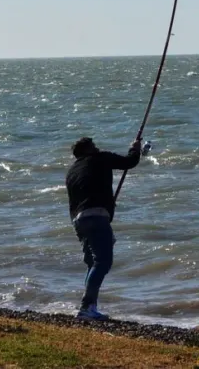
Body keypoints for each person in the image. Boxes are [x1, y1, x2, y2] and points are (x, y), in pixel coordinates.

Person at [65, 136, 143, 321]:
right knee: (103, 262)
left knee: (93, 264)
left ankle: (89, 307)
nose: (97, 148)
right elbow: (129, 162)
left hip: (78, 220)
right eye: (94, 146)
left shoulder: (72, 171)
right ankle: (87, 307)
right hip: (96, 217)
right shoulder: (99, 158)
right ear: (87, 150)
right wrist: (135, 148)